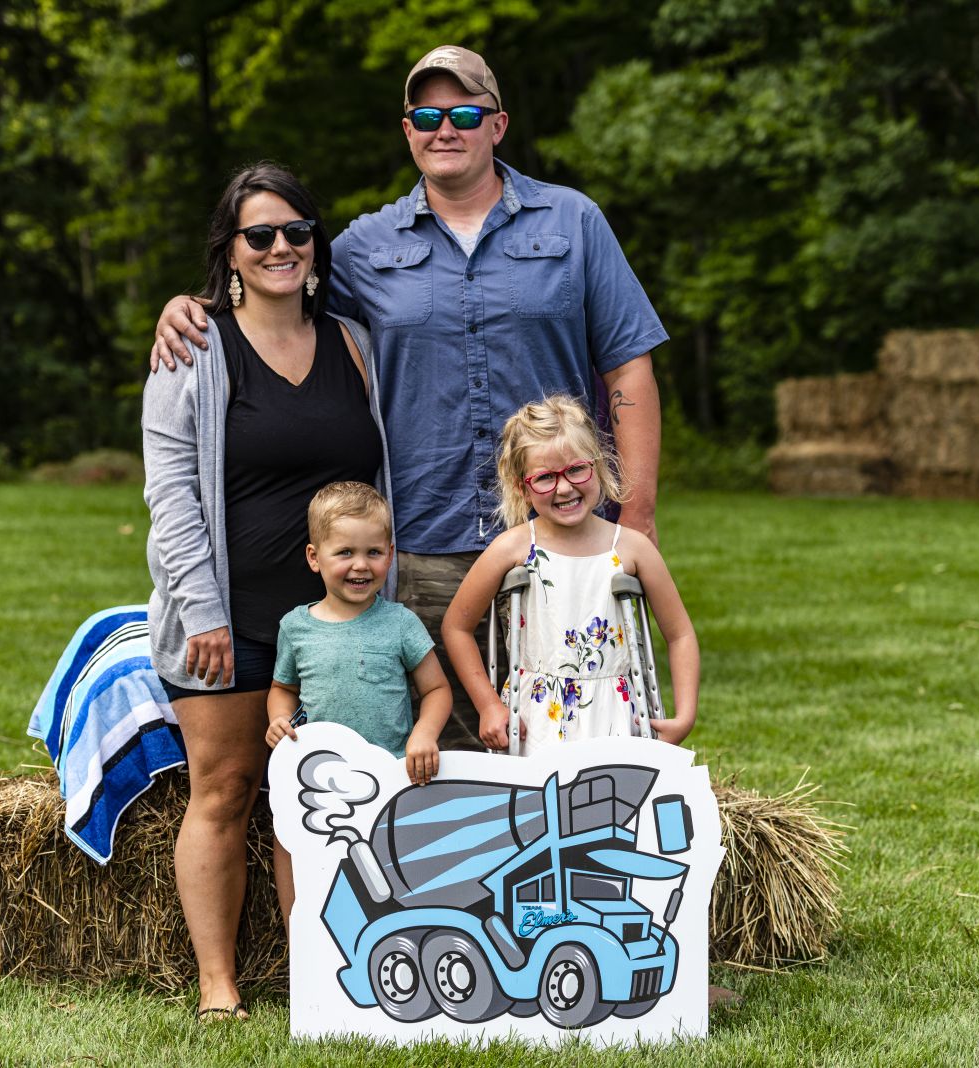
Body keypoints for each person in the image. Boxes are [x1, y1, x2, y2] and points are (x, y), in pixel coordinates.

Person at [150, 45, 669, 753]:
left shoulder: (574, 223)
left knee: (577, 744)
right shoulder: (364, 246)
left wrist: (636, 515)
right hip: (424, 546)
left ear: (498, 125)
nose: (444, 129)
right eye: (427, 116)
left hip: (563, 538)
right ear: (407, 131)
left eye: (464, 114)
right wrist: (195, 305)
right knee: (438, 766)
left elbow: (629, 368)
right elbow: (277, 294)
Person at [142, 162, 389, 1023]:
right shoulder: (194, 347)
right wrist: (202, 611)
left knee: (319, 798)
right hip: (231, 622)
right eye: (260, 235)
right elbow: (172, 493)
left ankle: (317, 977)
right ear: (231, 251)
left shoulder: (354, 343)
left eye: (296, 231)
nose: (281, 246)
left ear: (316, 244)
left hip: (339, 626)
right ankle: (219, 985)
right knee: (226, 787)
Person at [440, 396, 698, 755]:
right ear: (522, 487)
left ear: (599, 466)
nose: (564, 488)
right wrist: (488, 705)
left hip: (614, 715)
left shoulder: (632, 548)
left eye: (576, 470)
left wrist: (685, 715)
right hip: (536, 719)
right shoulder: (513, 547)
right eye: (545, 477)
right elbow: (457, 626)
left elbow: (680, 633)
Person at [264, 480, 452, 924]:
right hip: (318, 781)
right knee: (297, 852)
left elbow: (437, 690)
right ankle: (302, 944)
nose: (361, 565)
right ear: (315, 557)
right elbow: (283, 688)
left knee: (384, 870)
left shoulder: (400, 623)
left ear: (390, 554)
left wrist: (424, 734)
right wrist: (278, 720)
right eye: (345, 552)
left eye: (373, 552)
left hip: (389, 776)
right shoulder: (296, 627)